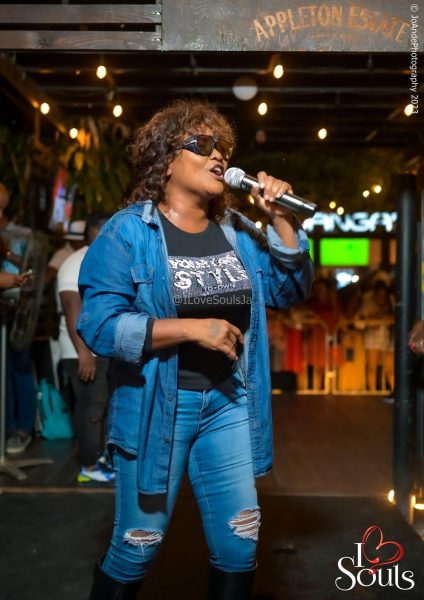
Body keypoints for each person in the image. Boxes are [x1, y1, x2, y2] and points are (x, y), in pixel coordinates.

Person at [77, 99, 313, 599]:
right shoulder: (128, 231)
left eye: (222, 146)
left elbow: (287, 291)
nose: (218, 155)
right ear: (166, 159)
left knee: (239, 545)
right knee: (137, 546)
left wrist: (281, 222)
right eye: (202, 144)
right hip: (157, 406)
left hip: (229, 403)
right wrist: (189, 329)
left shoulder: (239, 233)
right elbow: (98, 327)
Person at [57, 214, 114, 485]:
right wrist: (84, 352)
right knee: (91, 406)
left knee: (100, 406)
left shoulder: (101, 258)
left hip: (99, 349)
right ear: (92, 231)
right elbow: (72, 309)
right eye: (105, 229)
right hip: (81, 350)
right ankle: (89, 465)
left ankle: (99, 458)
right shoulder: (75, 262)